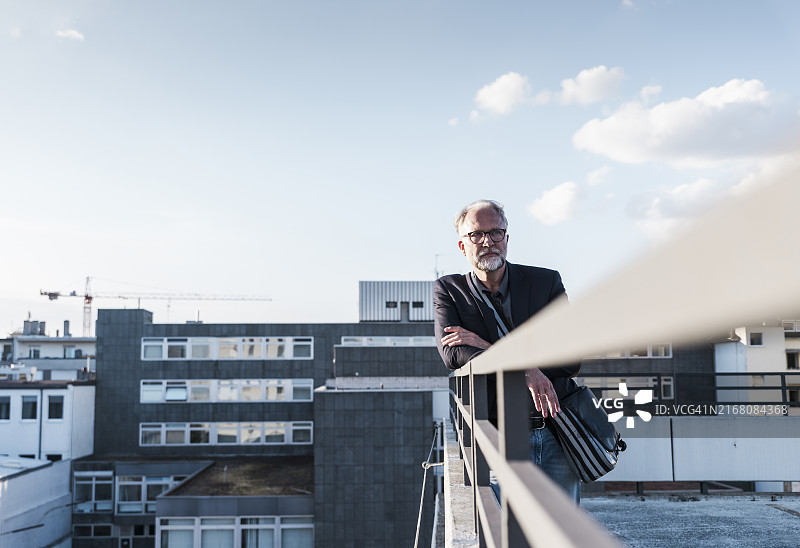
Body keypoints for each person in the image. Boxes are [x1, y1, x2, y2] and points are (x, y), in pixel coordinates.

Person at [433, 199, 581, 503]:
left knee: (561, 532)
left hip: (558, 432)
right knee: (505, 532)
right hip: (498, 436)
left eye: (495, 233)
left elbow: (570, 358)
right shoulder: (449, 290)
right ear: (463, 246)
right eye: (476, 235)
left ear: (507, 238)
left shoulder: (545, 281)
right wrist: (527, 367)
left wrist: (486, 345)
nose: (488, 242)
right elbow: (454, 356)